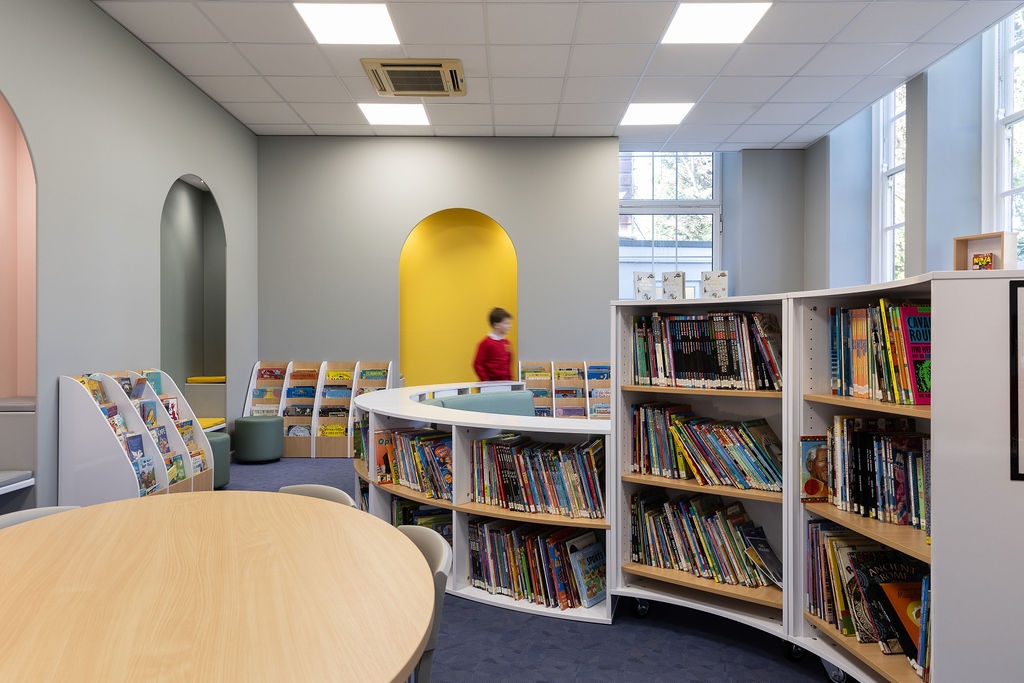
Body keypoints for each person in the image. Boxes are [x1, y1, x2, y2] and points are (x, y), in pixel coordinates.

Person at [473, 307, 513, 381]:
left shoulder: (507, 343)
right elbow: (477, 364)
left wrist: (511, 382)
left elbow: (508, 365)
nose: (510, 326)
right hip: (491, 384)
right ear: (496, 325)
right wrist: (486, 382)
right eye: (506, 323)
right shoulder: (486, 343)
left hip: (506, 383)